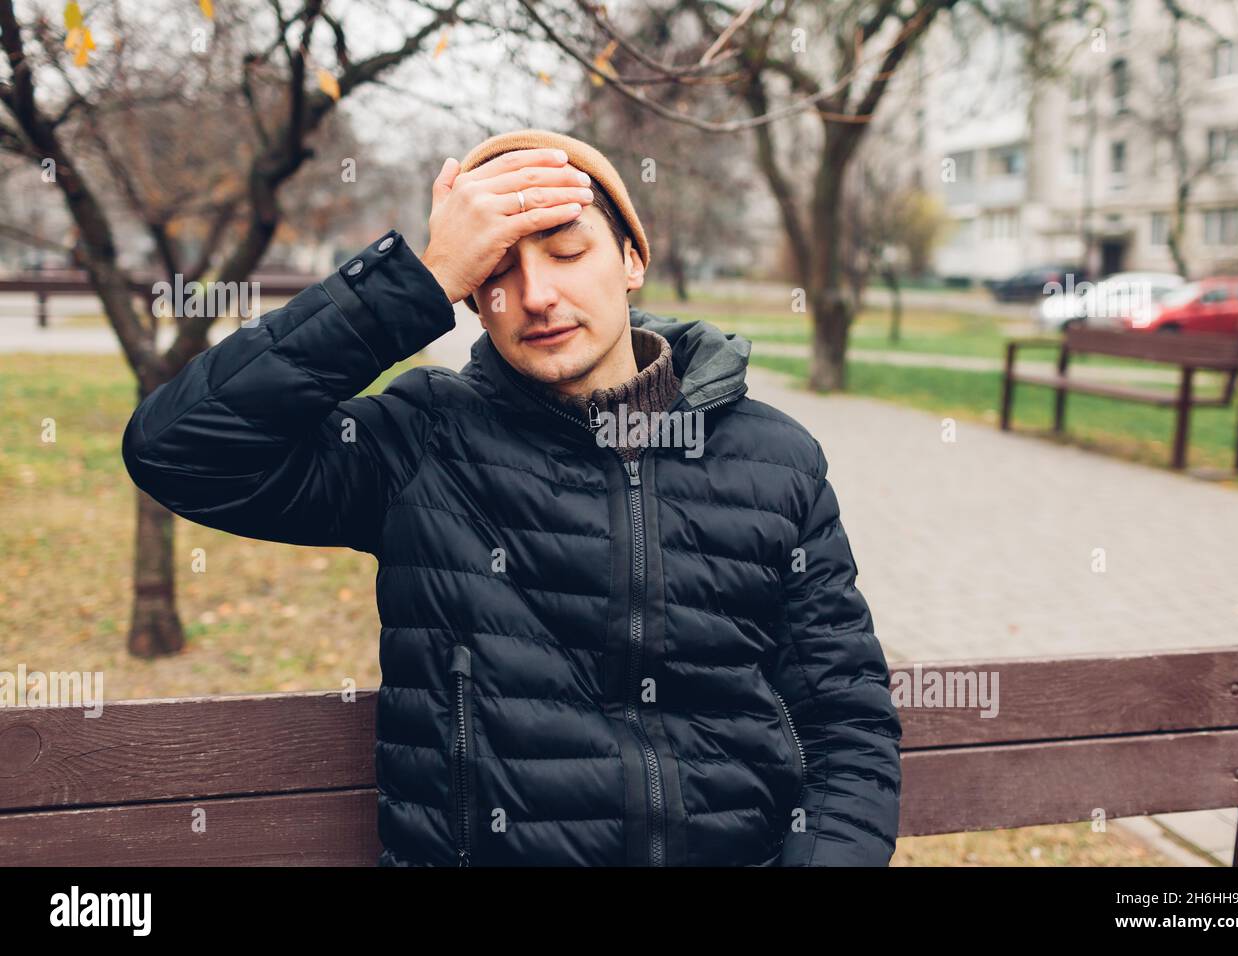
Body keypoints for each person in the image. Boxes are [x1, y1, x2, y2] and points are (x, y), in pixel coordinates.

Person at [121, 128, 902, 867]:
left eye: (567, 252)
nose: (536, 295)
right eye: (494, 269)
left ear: (632, 259)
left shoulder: (777, 460)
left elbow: (847, 727)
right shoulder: (421, 443)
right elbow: (179, 449)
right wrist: (412, 284)